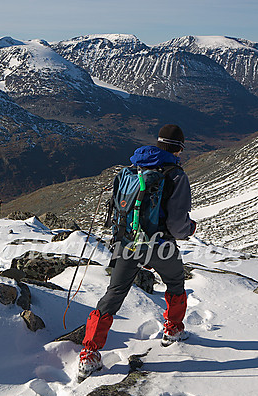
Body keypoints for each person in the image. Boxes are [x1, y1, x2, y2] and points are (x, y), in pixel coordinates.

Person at [78, 124, 196, 379]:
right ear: (179, 148)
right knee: (175, 281)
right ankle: (173, 328)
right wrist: (189, 229)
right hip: (159, 245)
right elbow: (177, 226)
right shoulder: (175, 175)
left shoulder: (132, 169)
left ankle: (89, 352)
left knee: (114, 293)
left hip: (126, 243)